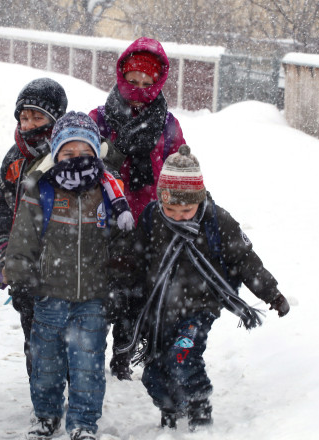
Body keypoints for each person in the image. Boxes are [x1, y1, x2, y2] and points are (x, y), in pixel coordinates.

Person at [117, 145, 290, 432]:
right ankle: (171, 408)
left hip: (199, 309)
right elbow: (136, 258)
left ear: (198, 199)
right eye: (170, 208)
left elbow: (246, 260)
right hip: (161, 309)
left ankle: (199, 408)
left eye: (186, 209)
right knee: (153, 374)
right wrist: (121, 287)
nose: (178, 216)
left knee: (182, 357)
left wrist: (271, 293)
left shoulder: (217, 221)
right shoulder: (153, 218)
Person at [4, 112, 134, 440]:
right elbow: (23, 238)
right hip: (49, 294)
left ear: (97, 153)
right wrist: (20, 280)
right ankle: (46, 416)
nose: (77, 160)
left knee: (87, 366)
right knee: (46, 363)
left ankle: (83, 423)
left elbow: (122, 245)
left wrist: (120, 282)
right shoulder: (42, 188)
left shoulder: (108, 193)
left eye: (85, 153)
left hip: (92, 297)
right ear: (56, 154)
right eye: (68, 154)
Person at [89, 36, 187, 381]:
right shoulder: (99, 119)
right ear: (121, 76)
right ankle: (91, 354)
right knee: (100, 291)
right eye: (133, 81)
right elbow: (84, 161)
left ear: (158, 82)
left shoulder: (168, 125)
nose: (140, 89)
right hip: (103, 216)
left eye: (148, 83)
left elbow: (181, 171)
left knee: (136, 291)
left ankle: (123, 354)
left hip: (150, 220)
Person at [0, 78, 68, 378]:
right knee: (34, 337)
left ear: (55, 119)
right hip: (25, 265)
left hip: (65, 263)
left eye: (38, 117)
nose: (30, 123)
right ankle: (43, 398)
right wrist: (4, 251)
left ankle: (73, 396)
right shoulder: (15, 158)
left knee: (67, 336)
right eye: (24, 116)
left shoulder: (69, 153)